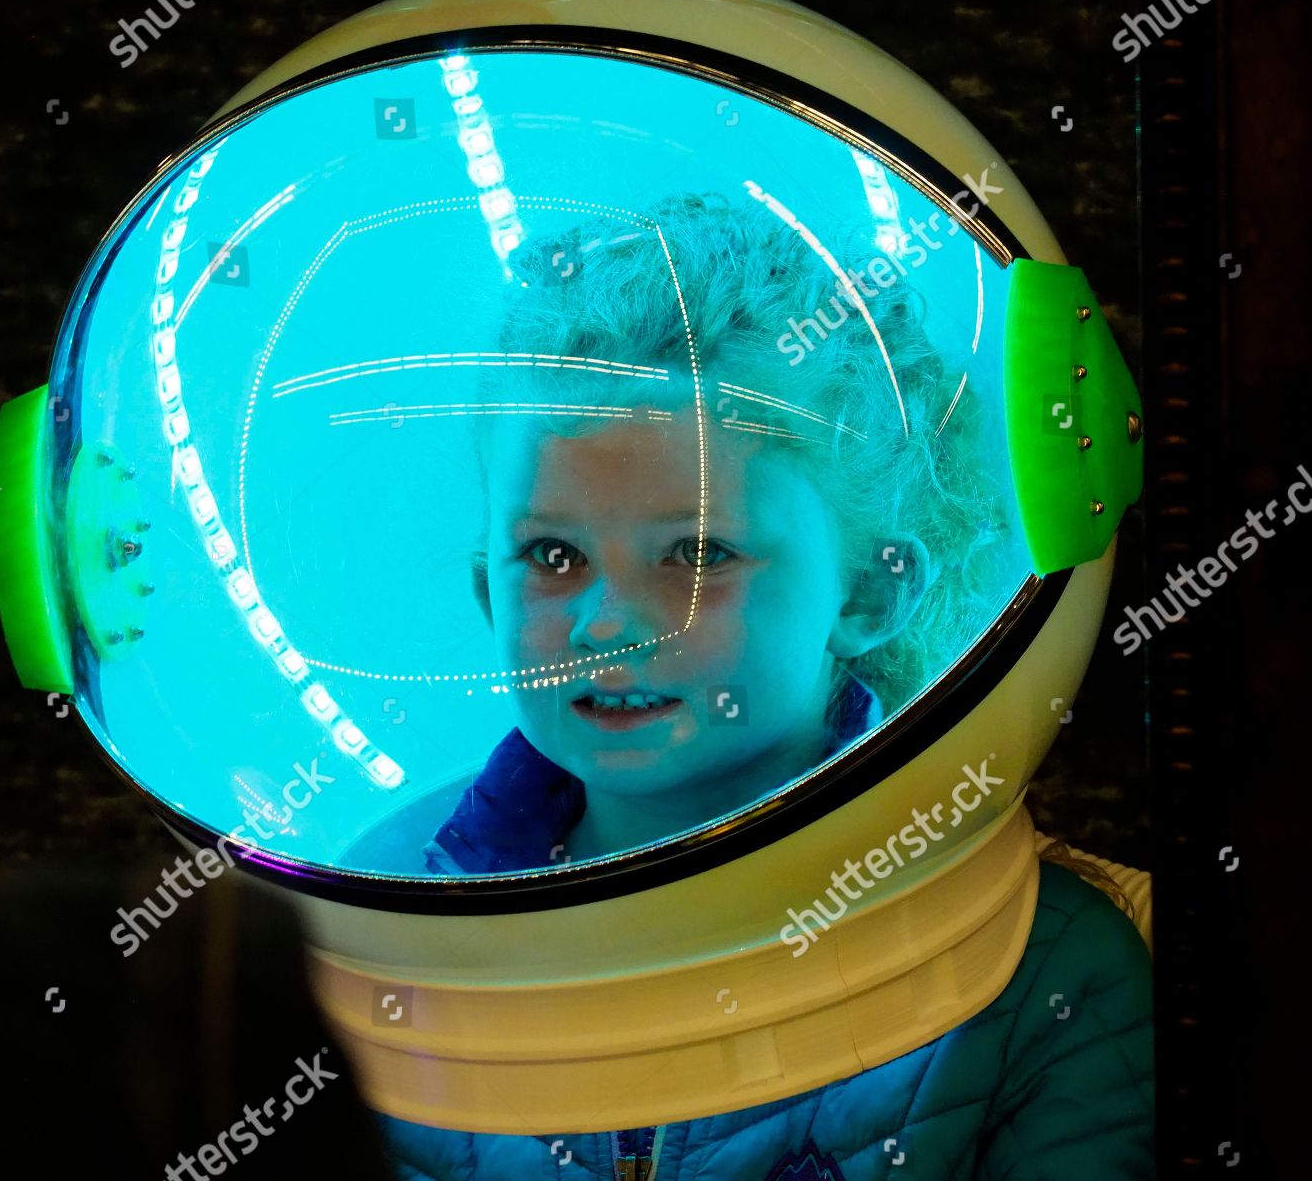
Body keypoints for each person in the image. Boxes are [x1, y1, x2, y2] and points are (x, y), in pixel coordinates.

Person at [380, 191, 1154, 1179]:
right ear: (488, 588)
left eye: (696, 551)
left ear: (872, 589)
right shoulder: (390, 925)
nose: (604, 622)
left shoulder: (1046, 982)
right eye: (554, 551)